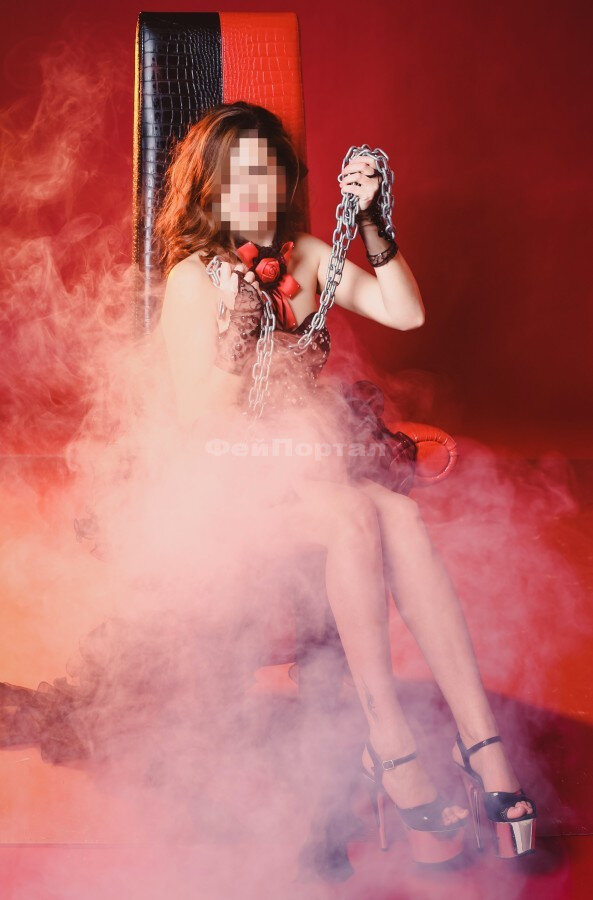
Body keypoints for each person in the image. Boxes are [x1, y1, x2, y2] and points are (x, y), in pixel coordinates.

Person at [152, 100, 536, 863]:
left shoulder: (299, 254)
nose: (256, 192)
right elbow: (199, 428)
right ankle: (390, 742)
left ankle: (481, 746)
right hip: (222, 488)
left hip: (304, 476)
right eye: (238, 177)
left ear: (285, 183)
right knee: (353, 516)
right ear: (210, 190)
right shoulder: (194, 281)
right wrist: (239, 341)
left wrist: (370, 223)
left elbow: (404, 311)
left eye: (268, 174)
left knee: (400, 517)